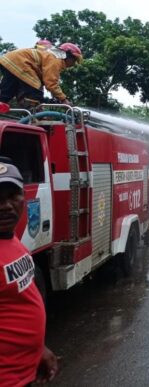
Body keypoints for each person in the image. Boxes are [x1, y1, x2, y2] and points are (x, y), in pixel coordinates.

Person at [0, 158, 59, 384]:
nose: (6, 205)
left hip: (24, 372)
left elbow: (20, 300)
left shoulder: (10, 237)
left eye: (13, 195)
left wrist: (38, 348)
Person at [0, 43, 83, 108]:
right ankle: (37, 117)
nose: (73, 63)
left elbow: (45, 80)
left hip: (8, 60)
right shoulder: (56, 59)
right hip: (20, 63)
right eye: (74, 60)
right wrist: (64, 100)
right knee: (35, 92)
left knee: (7, 93)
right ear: (67, 55)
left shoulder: (51, 55)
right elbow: (51, 83)